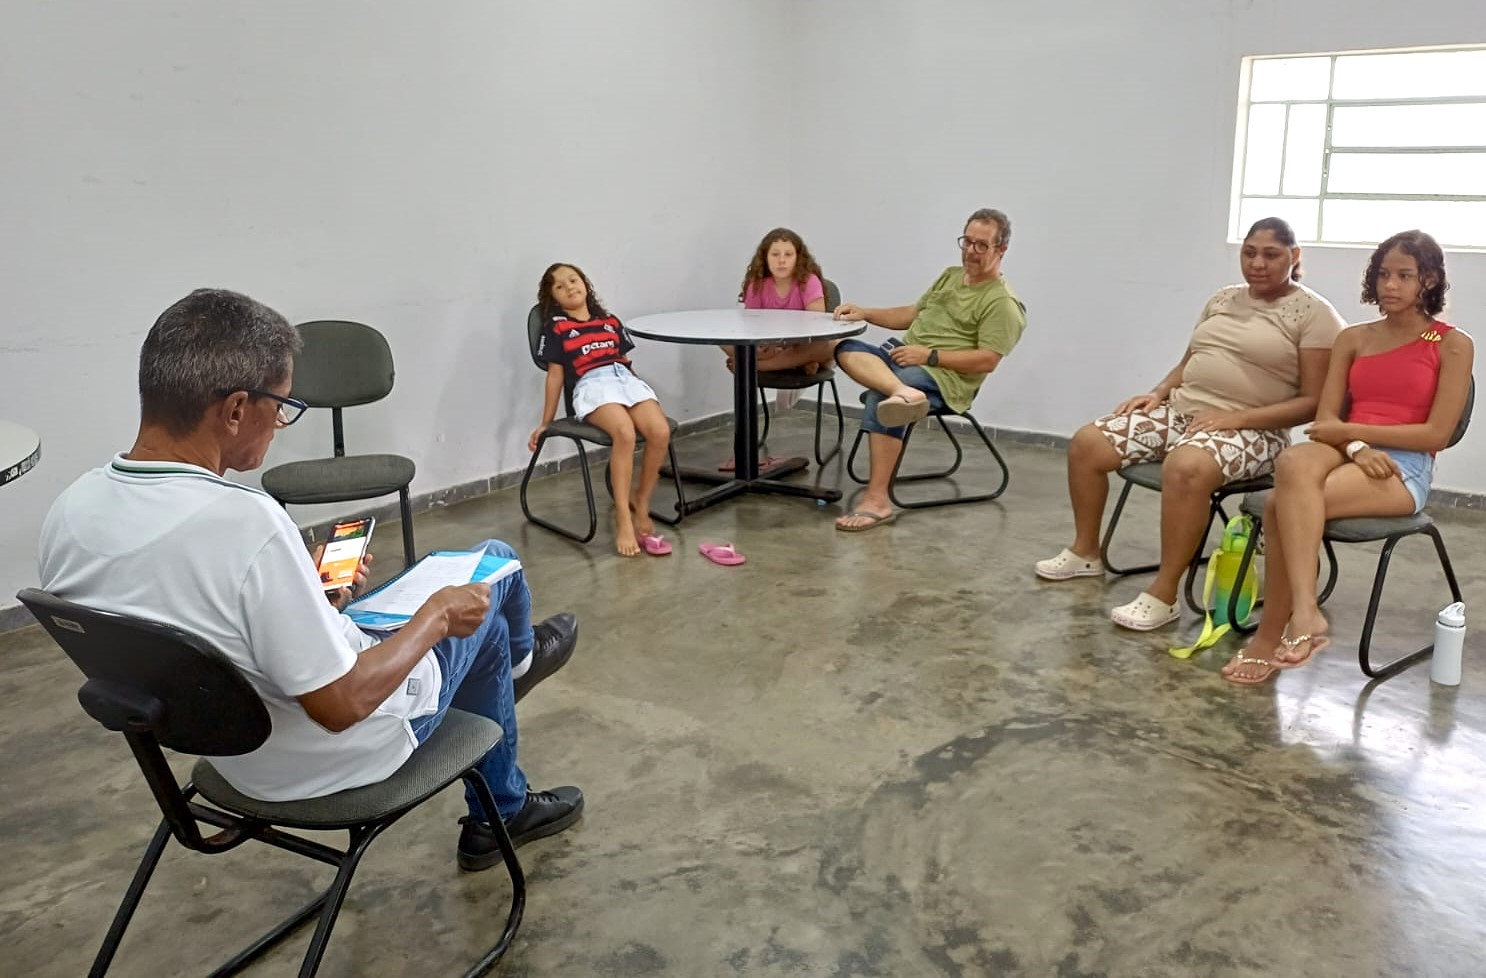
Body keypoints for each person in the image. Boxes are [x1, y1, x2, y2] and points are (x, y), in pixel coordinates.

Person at [38, 289, 584, 872]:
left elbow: (191, 621)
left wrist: (308, 593)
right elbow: (340, 704)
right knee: (490, 580)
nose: (280, 420)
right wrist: (437, 617)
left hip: (229, 755)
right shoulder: (246, 523)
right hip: (335, 753)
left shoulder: (71, 511)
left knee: (472, 609)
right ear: (234, 410)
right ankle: (507, 758)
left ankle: (502, 715)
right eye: (281, 405)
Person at [1035, 217, 1346, 631]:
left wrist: (1236, 418)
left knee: (1185, 467)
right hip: (1185, 412)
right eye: (1249, 252)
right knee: (1088, 442)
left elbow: (1312, 403)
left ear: (1295, 256)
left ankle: (1164, 594)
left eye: (1271, 254)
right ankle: (1085, 551)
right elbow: (1191, 360)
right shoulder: (1223, 299)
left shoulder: (1315, 314)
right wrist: (1159, 390)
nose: (1257, 263)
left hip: (1256, 431)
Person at [1223, 230, 1475, 685]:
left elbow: (1436, 433)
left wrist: (1354, 434)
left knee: (1282, 506)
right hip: (1346, 451)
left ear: (1431, 280)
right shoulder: (1353, 339)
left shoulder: (1451, 344)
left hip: (1404, 466)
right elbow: (1324, 424)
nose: (1390, 286)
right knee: (1294, 463)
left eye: (1404, 275)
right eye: (1383, 274)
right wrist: (1356, 447)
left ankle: (1271, 636)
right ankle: (1304, 613)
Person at [831, 207, 1026, 531]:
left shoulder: (1002, 303)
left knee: (882, 395)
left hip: (945, 379)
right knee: (844, 347)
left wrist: (930, 356)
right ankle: (902, 393)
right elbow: (911, 314)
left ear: (1001, 250)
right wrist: (864, 312)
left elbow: (988, 360)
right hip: (906, 362)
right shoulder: (950, 276)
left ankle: (877, 501)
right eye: (967, 242)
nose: (971, 252)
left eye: (981, 245)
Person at [529, 262, 673, 557]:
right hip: (590, 385)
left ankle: (641, 502)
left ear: (585, 282)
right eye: (560, 286)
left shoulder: (609, 320)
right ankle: (623, 516)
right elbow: (555, 376)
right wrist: (546, 422)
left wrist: (630, 390)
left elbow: (622, 360)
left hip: (622, 378)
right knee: (624, 433)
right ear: (553, 298)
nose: (569, 286)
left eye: (573, 279)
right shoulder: (556, 327)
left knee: (660, 431)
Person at [720, 227, 836, 472]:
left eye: (788, 254)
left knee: (828, 345)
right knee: (721, 339)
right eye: (775, 254)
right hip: (770, 346)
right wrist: (765, 347)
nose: (781, 260)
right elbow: (751, 326)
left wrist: (774, 349)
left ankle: (752, 364)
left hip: (802, 344)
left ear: (798, 257)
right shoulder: (757, 284)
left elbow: (816, 326)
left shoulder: (809, 282)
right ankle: (767, 361)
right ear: (765, 257)